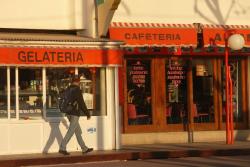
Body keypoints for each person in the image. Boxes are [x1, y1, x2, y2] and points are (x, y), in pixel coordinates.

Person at [59, 75, 93, 155]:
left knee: (78, 131)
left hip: (68, 113)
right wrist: (87, 113)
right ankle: (62, 147)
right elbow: (81, 103)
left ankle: (84, 148)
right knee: (71, 131)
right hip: (74, 113)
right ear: (78, 81)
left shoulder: (68, 89)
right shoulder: (77, 90)